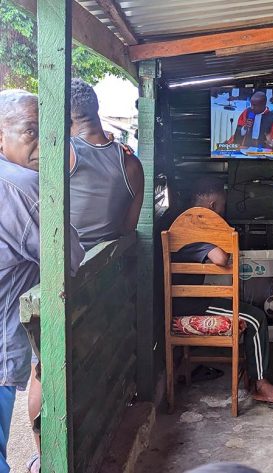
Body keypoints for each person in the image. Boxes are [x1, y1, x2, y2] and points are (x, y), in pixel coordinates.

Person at [26, 79, 145, 471]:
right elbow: (128, 228)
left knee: (43, 367)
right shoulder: (130, 160)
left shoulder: (64, 153)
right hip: (106, 276)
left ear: (64, 113)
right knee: (91, 360)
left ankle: (46, 456)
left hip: (64, 273)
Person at [173, 177, 273, 408]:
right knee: (256, 318)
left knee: (246, 308)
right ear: (211, 207)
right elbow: (220, 258)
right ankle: (261, 386)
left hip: (188, 300)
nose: (223, 210)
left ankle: (252, 376)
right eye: (222, 205)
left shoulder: (181, 220)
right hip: (192, 305)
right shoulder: (195, 227)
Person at [0, 89, 85, 473]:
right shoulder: (23, 188)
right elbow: (70, 258)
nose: (41, 143)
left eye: (48, 131)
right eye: (30, 131)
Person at [68, 78, 144, 251]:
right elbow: (128, 227)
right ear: (96, 108)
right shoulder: (133, 163)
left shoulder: (64, 154)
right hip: (106, 265)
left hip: (64, 266)